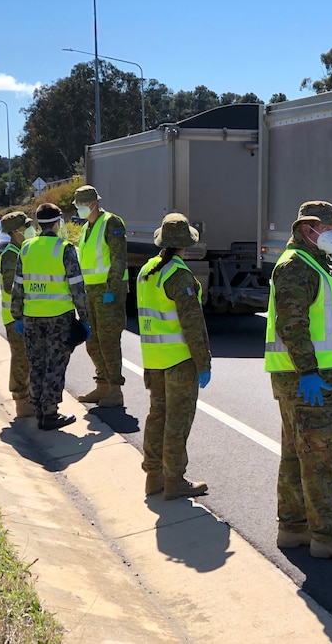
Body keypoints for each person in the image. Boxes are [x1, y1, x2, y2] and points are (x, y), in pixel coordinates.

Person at [265, 200, 332, 561]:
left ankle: (293, 527)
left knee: (298, 455)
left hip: (299, 377)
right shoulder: (297, 267)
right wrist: (310, 372)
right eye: (326, 229)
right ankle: (327, 535)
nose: (331, 235)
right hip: (310, 380)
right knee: (322, 458)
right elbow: (291, 324)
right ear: (307, 229)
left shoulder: (309, 264)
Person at [137, 213, 212, 500]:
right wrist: (203, 362)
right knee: (177, 422)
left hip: (153, 359)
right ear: (186, 245)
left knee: (157, 416)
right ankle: (175, 479)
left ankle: (154, 476)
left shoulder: (148, 270)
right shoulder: (179, 275)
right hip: (179, 360)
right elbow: (193, 325)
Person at [11, 203, 90, 431]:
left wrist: (17, 316)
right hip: (59, 318)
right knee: (55, 364)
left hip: (31, 317)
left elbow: (18, 286)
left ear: (37, 223)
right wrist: (84, 318)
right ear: (57, 223)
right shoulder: (65, 249)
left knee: (36, 363)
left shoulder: (25, 248)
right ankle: (50, 413)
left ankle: (37, 409)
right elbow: (77, 288)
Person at [72, 185, 129, 408]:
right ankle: (102, 385)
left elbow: (118, 260)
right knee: (92, 342)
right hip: (90, 293)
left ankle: (115, 390)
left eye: (81, 205)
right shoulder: (87, 228)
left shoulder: (111, 223)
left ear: (93, 204)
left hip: (108, 293)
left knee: (108, 342)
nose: (78, 210)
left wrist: (111, 291)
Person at [0, 211, 36, 418]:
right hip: (15, 318)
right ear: (14, 232)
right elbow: (9, 286)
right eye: (26, 227)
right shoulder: (11, 255)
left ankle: (28, 396)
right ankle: (21, 401)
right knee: (21, 359)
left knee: (28, 358)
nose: (30, 230)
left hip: (25, 316)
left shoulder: (23, 251)